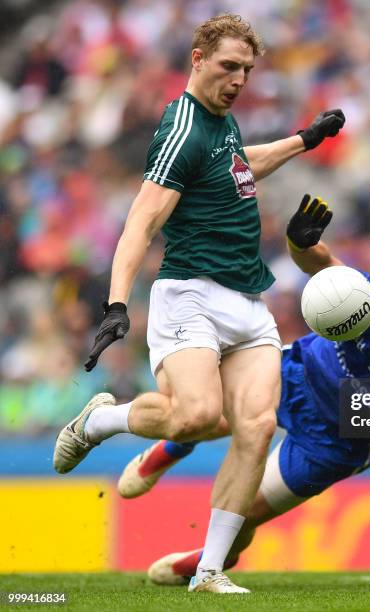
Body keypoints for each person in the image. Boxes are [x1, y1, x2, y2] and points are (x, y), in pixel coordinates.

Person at [52, 14, 345, 595]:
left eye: (246, 70)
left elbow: (239, 169)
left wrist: (303, 141)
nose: (238, 79)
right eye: (228, 66)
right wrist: (116, 303)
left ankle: (208, 571)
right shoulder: (184, 128)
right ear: (196, 58)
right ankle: (101, 420)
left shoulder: (220, 121)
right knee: (194, 417)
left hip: (246, 299)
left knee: (257, 426)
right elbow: (142, 219)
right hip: (190, 293)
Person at [115, 194, 370, 585]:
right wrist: (300, 241)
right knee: (206, 412)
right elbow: (322, 264)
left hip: (336, 441)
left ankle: (213, 557)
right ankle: (173, 447)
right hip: (298, 375)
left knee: (243, 511)